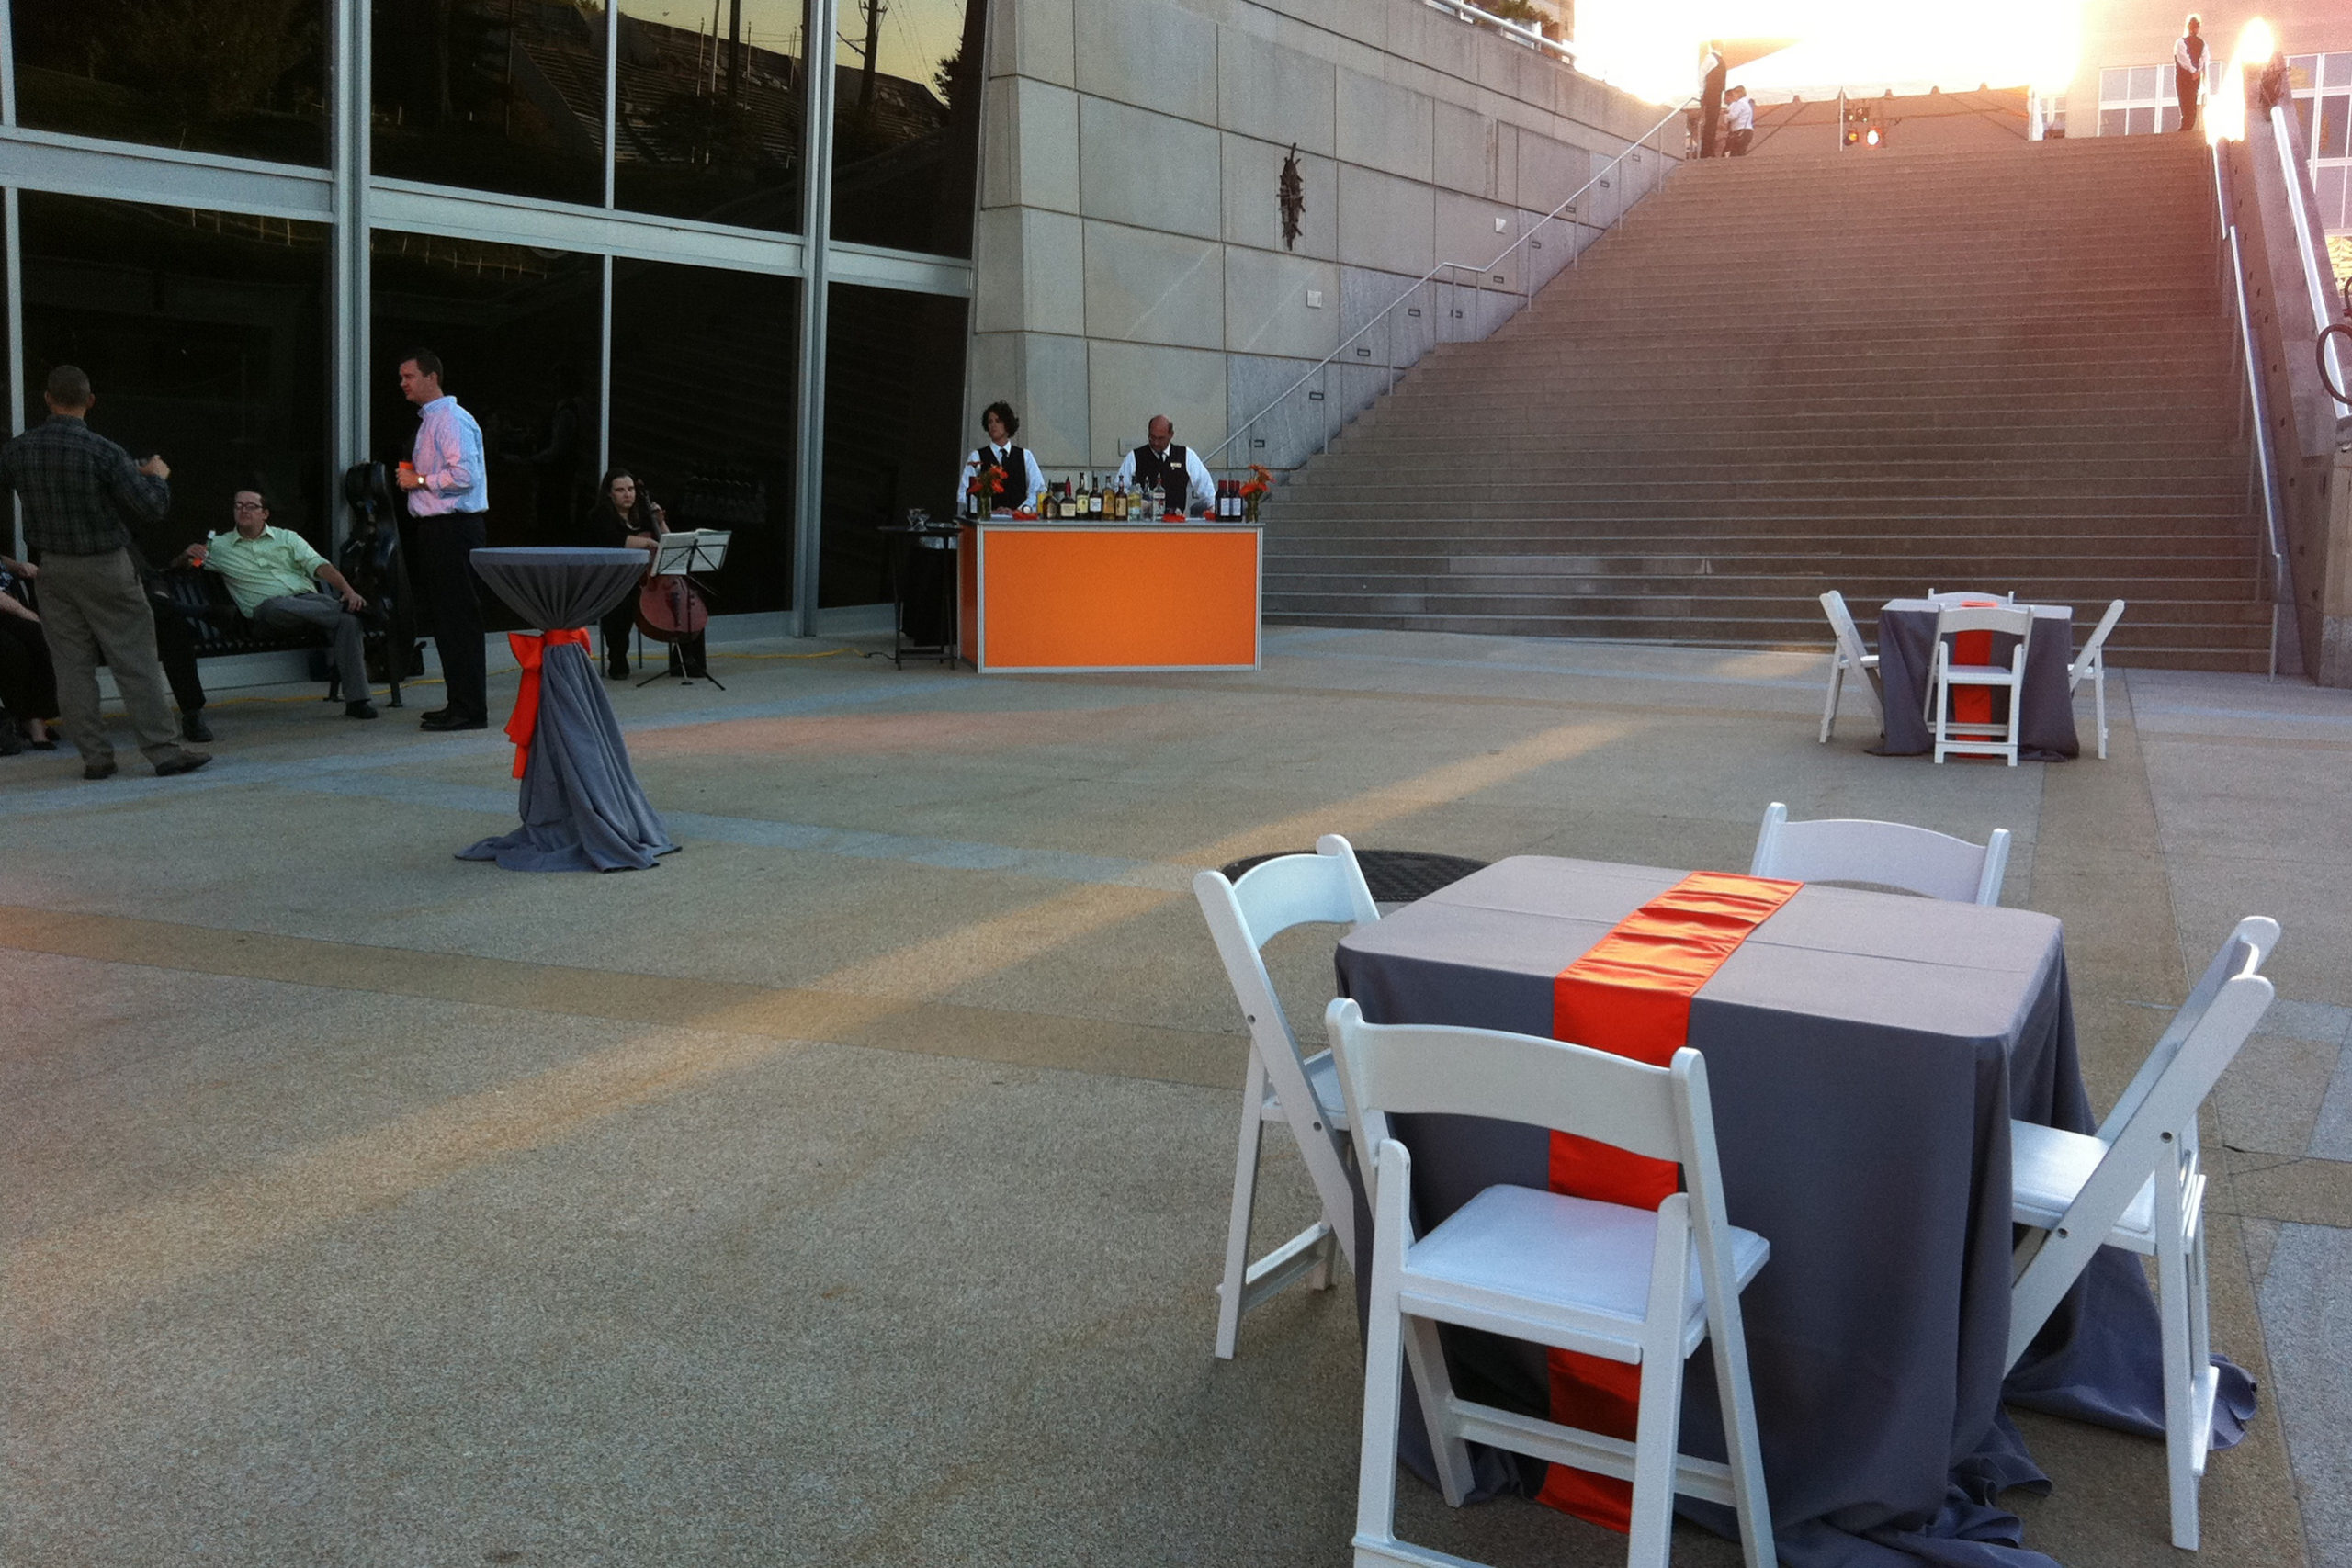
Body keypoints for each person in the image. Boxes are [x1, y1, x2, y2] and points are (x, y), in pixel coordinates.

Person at [0, 365, 209, 779]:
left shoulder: (18, 451)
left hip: (52, 567)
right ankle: (163, 751)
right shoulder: (103, 451)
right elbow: (151, 507)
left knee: (72, 667)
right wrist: (157, 477)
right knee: (135, 660)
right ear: (90, 401)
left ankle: (95, 758)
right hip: (105, 564)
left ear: (47, 399)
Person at [173, 489, 378, 719]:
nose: (243, 510)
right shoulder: (218, 546)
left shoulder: (287, 538)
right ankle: (361, 612)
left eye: (250, 506)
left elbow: (319, 565)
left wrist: (349, 592)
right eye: (238, 505)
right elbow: (181, 567)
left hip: (309, 605)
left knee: (348, 622)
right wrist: (187, 555)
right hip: (268, 616)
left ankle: (358, 702)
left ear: (265, 514)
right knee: (277, 606)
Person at [395, 348, 490, 731]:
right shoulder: (433, 420)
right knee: (447, 620)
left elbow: (463, 476)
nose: (403, 384)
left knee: (458, 620)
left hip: (454, 528)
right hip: (440, 530)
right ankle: (459, 703)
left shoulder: (450, 419)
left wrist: (418, 481)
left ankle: (469, 709)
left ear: (432, 377)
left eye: (409, 376)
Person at [586, 467, 705, 681]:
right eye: (620, 490)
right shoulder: (600, 516)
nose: (628, 494)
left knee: (688, 602)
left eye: (630, 489)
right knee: (620, 606)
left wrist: (659, 521)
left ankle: (685, 661)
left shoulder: (643, 515)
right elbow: (616, 541)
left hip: (649, 580)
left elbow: (668, 542)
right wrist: (649, 542)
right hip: (616, 580)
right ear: (609, 493)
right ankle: (618, 658)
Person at [0, 554, 60, 754]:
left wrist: (17, 566)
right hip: (7, 608)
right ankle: (25, 718)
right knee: (12, 651)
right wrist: (22, 611)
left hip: (7, 612)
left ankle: (38, 717)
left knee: (40, 639)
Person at [1113, 415, 1216, 516]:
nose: (1156, 442)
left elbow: (1206, 489)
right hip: (1143, 523)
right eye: (1152, 438)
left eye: (1161, 438)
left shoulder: (1186, 455)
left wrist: (1213, 507)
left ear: (1171, 435)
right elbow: (1118, 489)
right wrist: (1136, 500)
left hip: (1176, 523)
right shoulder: (1135, 456)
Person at [957, 401, 1046, 515]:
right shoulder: (977, 456)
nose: (993, 425)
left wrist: (1020, 510)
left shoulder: (1025, 456)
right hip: (988, 522)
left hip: (1019, 522)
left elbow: (1038, 489)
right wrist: (986, 510)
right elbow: (964, 492)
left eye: (998, 421)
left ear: (1007, 424)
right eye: (990, 422)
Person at [2176, 16, 2206, 134]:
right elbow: (2184, 58)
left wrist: (2195, 71)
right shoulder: (2183, 42)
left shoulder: (2184, 42)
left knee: (2188, 101)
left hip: (2187, 77)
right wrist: (2196, 71)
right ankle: (2187, 125)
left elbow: (2201, 58)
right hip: (2188, 77)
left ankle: (2187, 125)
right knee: (2187, 100)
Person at [1699, 42, 1727, 160]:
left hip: (1716, 93)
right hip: (1711, 93)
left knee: (1713, 123)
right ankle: (1706, 152)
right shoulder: (1710, 58)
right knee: (1710, 122)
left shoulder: (1718, 58)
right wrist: (1701, 93)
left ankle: (1709, 150)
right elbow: (1702, 75)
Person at [1724, 85, 1756, 156]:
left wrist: (1726, 114)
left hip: (1741, 132)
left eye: (1734, 94)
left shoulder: (1739, 103)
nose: (1733, 96)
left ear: (1738, 93)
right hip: (1747, 131)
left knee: (1734, 154)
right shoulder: (1746, 103)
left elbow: (1732, 116)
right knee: (1740, 153)